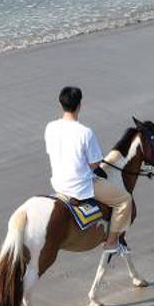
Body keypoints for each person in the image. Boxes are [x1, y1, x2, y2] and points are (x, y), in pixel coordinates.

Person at [44, 85, 128, 249]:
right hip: (80, 187)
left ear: (60, 104)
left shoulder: (50, 127)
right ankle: (111, 242)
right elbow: (95, 164)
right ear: (80, 105)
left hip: (58, 184)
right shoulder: (85, 132)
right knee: (124, 200)